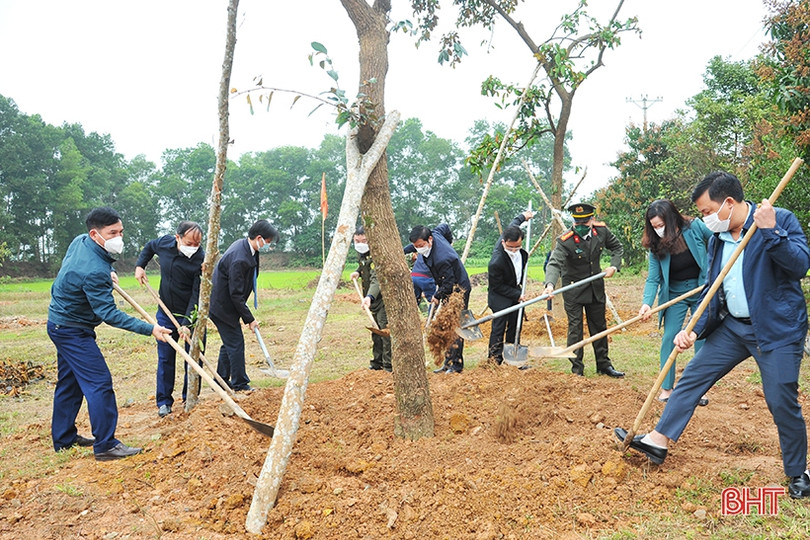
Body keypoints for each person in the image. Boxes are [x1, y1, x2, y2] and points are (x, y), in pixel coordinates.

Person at [614, 171, 810, 499]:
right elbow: (713, 290)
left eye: (707, 212)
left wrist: (771, 231)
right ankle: (658, 441)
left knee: (781, 401)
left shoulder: (778, 220)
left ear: (729, 203)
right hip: (734, 327)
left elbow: (800, 266)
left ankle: (796, 472)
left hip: (776, 330)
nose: (705, 219)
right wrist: (694, 330)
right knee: (692, 376)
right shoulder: (716, 239)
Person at [48, 207, 172, 461]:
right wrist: (151, 329)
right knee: (99, 383)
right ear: (95, 234)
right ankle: (106, 445)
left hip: (59, 322)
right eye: (112, 233)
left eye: (121, 231)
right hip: (72, 330)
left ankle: (64, 438)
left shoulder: (80, 242)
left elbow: (77, 268)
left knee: (70, 383)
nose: (119, 237)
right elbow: (110, 314)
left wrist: (107, 273)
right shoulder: (94, 270)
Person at [638, 200, 712, 403]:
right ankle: (667, 389)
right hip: (674, 295)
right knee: (670, 337)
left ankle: (699, 390)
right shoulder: (655, 244)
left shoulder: (694, 227)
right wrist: (647, 303)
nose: (658, 230)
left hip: (701, 290)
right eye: (654, 226)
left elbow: (717, 239)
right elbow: (653, 278)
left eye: (661, 225)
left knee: (701, 338)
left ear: (671, 220)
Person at [543, 203, 624, 377]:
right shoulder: (566, 240)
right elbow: (554, 263)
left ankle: (603, 365)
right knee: (575, 329)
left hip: (595, 288)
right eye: (577, 223)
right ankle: (577, 369)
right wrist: (549, 285)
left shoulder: (601, 232)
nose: (580, 227)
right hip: (574, 290)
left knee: (599, 327)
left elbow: (617, 247)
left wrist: (613, 266)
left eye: (584, 223)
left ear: (592, 220)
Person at [135, 221, 205, 418]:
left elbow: (197, 295)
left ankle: (190, 398)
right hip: (165, 312)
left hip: (192, 315)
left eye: (197, 244)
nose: (193, 248)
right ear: (177, 238)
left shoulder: (201, 260)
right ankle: (164, 402)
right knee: (166, 357)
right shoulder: (165, 244)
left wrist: (187, 324)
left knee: (193, 358)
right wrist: (140, 266)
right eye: (189, 242)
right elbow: (149, 246)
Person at [209, 219, 278, 392]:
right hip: (222, 306)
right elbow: (236, 294)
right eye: (267, 242)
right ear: (259, 237)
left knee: (229, 343)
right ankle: (240, 384)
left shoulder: (248, 247)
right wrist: (250, 319)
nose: (267, 246)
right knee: (236, 343)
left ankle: (220, 380)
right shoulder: (239, 258)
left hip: (228, 304)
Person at [406, 224, 470, 374]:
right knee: (443, 324)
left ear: (430, 240)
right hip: (447, 284)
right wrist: (449, 242)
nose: (419, 249)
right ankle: (447, 363)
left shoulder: (442, 258)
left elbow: (448, 284)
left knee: (454, 324)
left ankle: (456, 365)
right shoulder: (436, 233)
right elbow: (445, 226)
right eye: (416, 247)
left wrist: (436, 296)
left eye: (421, 246)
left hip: (458, 290)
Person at [487, 211, 533, 364]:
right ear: (503, 242)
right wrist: (516, 294)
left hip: (515, 289)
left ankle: (512, 357)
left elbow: (514, 224)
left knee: (515, 323)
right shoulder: (496, 261)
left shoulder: (516, 242)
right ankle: (494, 359)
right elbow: (497, 286)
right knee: (499, 327)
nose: (514, 250)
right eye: (510, 247)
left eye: (517, 247)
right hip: (500, 295)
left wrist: (523, 216)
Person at [350, 226, 392, 372]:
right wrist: (357, 272)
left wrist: (369, 296)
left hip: (383, 299)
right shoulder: (362, 254)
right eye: (357, 241)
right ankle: (377, 362)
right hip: (372, 300)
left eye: (364, 240)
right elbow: (365, 267)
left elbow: (377, 279)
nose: (360, 244)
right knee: (376, 331)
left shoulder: (378, 255)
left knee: (384, 331)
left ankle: (388, 365)